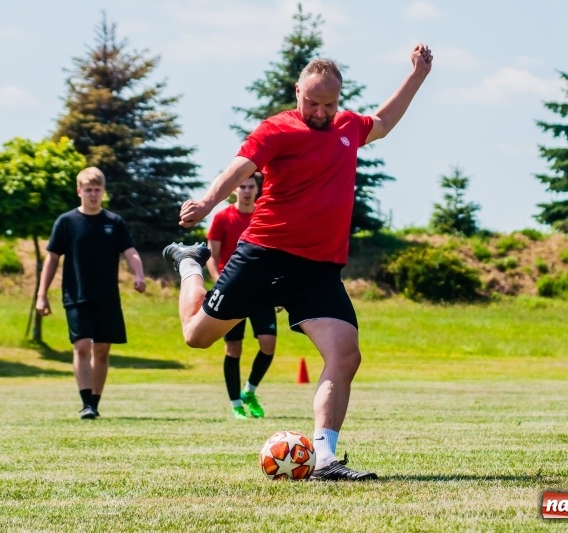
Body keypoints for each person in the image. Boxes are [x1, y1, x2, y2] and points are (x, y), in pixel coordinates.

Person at [164, 44, 433, 480]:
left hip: (318, 269)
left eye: (329, 104)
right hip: (265, 255)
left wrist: (417, 75)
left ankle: (325, 458)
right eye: (312, 103)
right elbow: (240, 168)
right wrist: (209, 203)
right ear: (297, 92)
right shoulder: (277, 129)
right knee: (197, 336)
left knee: (345, 354)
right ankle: (190, 264)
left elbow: (383, 123)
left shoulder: (348, 127)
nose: (321, 113)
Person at [36, 166, 147, 420]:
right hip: (76, 294)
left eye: (97, 190)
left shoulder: (114, 222)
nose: (93, 194)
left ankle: (94, 403)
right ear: (79, 191)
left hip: (107, 296)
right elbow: (52, 259)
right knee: (82, 345)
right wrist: (42, 294)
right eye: (88, 190)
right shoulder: (66, 222)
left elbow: (130, 251)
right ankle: (86, 403)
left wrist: (139, 275)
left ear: (103, 191)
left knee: (102, 350)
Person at [206, 173, 277, 420]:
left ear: (257, 189)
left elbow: (275, 254)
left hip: (261, 291)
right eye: (242, 187)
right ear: (235, 190)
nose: (246, 191)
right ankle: (236, 405)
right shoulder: (222, 218)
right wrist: (220, 285)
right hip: (232, 291)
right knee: (233, 348)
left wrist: (278, 288)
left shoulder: (265, 215)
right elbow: (212, 257)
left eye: (250, 187)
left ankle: (249, 391)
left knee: (268, 344)